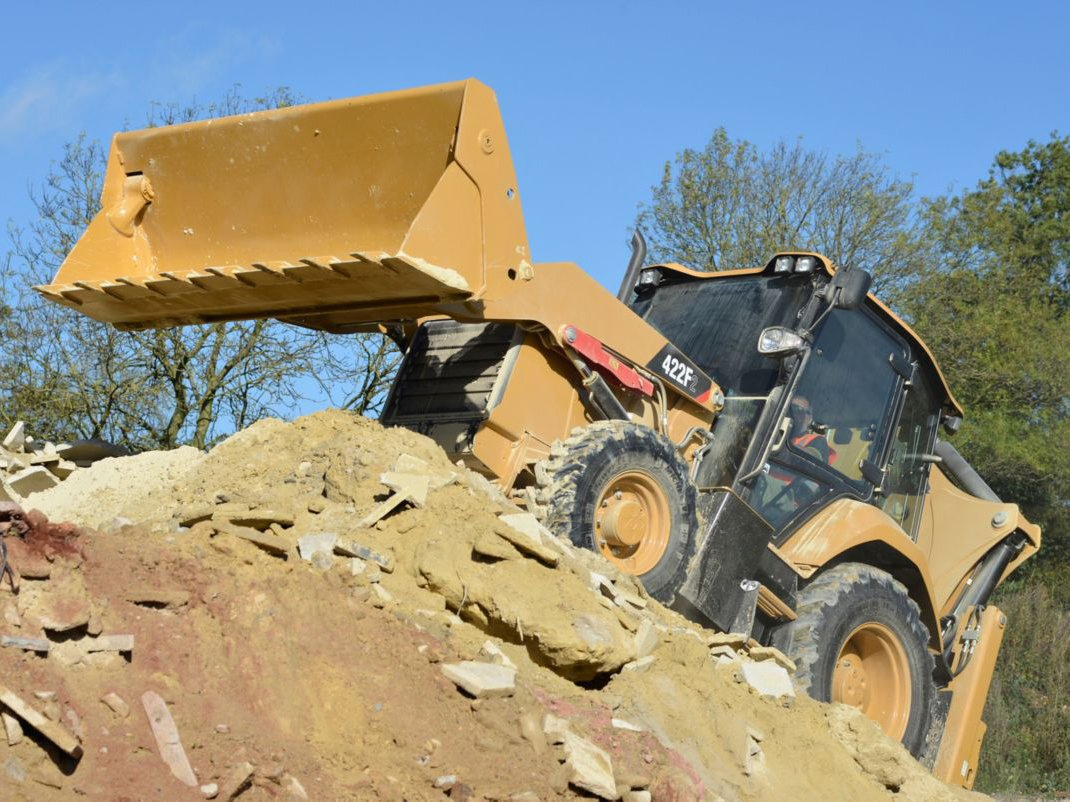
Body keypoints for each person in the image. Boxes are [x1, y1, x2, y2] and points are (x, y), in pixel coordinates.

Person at [788, 395, 837, 466]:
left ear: (809, 418)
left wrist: (786, 446)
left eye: (799, 410)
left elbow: (814, 458)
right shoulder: (776, 430)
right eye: (790, 409)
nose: (792, 413)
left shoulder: (818, 441)